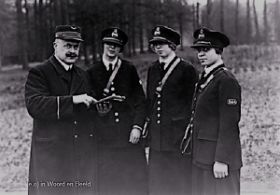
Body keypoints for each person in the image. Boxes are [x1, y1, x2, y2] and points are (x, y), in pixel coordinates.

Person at [25, 25, 97, 195]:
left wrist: (99, 108)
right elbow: (35, 105)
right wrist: (73, 100)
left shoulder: (83, 75)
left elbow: (89, 111)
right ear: (55, 45)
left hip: (79, 155)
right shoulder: (39, 72)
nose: (72, 51)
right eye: (68, 46)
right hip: (52, 156)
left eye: (76, 46)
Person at [87, 27, 148, 195]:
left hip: (129, 139)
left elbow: (140, 101)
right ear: (103, 45)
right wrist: (98, 112)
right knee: (108, 185)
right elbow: (87, 108)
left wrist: (137, 127)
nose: (112, 48)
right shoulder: (91, 72)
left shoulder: (129, 70)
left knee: (134, 184)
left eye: (116, 45)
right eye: (109, 44)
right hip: (105, 140)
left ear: (120, 48)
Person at [189, 27, 242, 195]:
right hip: (203, 157)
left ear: (218, 51)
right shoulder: (206, 78)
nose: (201, 54)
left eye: (206, 49)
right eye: (198, 49)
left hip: (219, 162)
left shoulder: (226, 81)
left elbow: (229, 124)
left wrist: (222, 160)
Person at [146, 25, 198, 195]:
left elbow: (193, 105)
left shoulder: (187, 70)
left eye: (162, 43)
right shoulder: (153, 70)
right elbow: (150, 102)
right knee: (157, 184)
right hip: (157, 140)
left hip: (177, 138)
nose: (158, 47)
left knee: (179, 184)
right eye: (155, 44)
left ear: (172, 45)